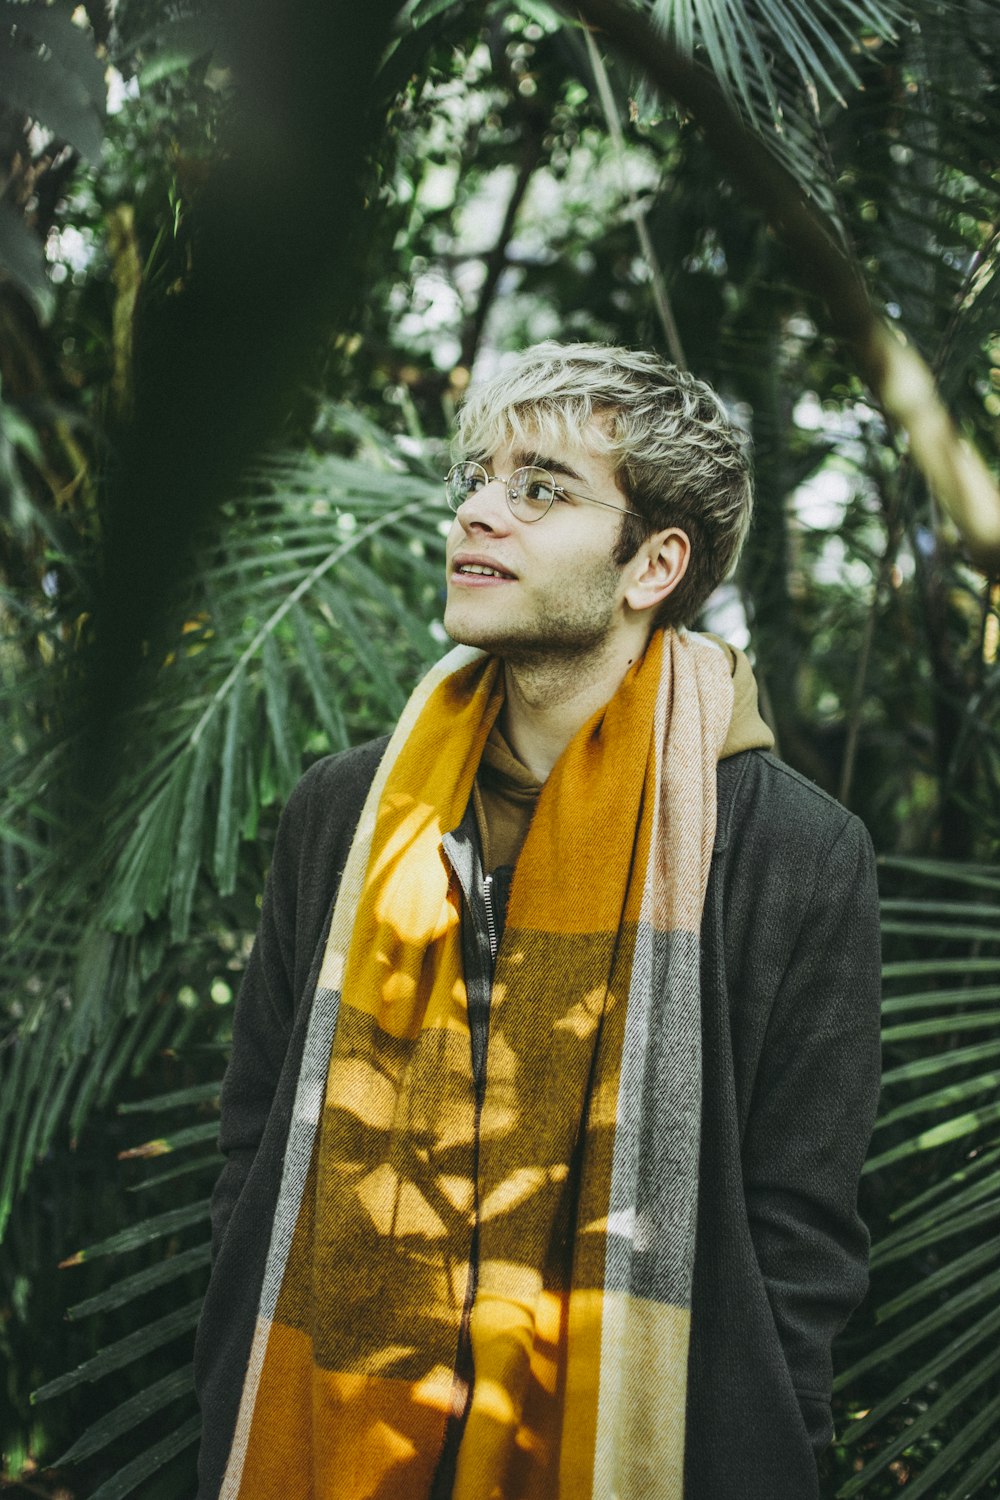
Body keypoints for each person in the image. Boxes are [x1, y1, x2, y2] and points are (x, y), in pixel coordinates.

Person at [194, 342, 881, 1500]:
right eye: (475, 479)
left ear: (653, 563)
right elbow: (254, 1134)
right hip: (335, 1432)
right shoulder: (346, 813)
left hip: (643, 1447)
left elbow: (798, 1238)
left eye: (541, 487)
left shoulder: (797, 857)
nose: (478, 513)